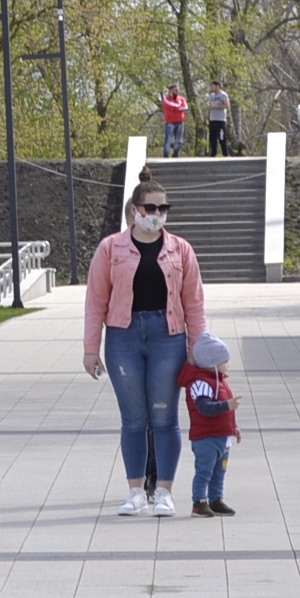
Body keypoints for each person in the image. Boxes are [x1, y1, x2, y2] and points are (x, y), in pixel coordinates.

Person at [83, 179, 208, 517]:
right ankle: (136, 491)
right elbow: (96, 300)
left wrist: (198, 348)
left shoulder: (180, 249)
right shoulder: (111, 248)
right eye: (150, 208)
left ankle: (164, 491)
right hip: (123, 336)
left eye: (163, 208)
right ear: (135, 211)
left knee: (165, 416)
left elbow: (194, 303)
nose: (157, 214)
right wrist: (91, 347)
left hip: (167, 335)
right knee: (134, 418)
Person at [179, 331, 241, 518]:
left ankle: (216, 499)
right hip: (206, 437)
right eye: (225, 361)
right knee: (204, 471)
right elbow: (204, 408)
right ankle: (199, 502)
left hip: (222, 436)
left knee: (219, 472)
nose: (228, 365)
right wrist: (226, 405)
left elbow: (227, 413)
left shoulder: (220, 382)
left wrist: (234, 428)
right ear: (212, 363)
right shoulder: (201, 383)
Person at [161, 85, 190, 158]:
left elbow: (185, 107)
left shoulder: (181, 99)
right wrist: (179, 107)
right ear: (171, 90)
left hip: (180, 122)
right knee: (168, 140)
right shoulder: (166, 98)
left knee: (179, 140)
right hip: (170, 123)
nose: (177, 91)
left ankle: (176, 155)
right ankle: (166, 155)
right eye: (175, 90)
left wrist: (175, 109)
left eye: (178, 90)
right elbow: (172, 105)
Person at [205, 80, 231, 156]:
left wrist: (215, 107)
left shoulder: (224, 95)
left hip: (221, 120)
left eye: (213, 86)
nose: (212, 88)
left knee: (222, 138)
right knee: (212, 139)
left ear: (218, 86)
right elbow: (210, 105)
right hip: (212, 119)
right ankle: (213, 154)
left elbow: (227, 106)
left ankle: (225, 154)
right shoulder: (212, 95)